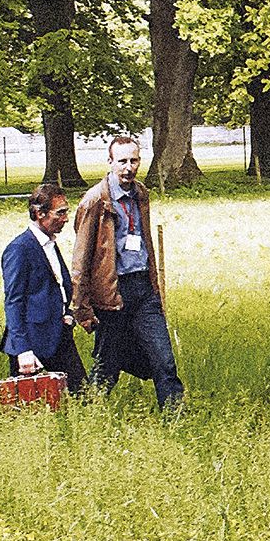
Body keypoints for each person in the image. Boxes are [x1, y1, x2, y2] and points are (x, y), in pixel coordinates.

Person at [72, 135, 184, 407]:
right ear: (110, 162)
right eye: (122, 161)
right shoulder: (95, 201)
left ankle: (176, 418)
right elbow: (81, 259)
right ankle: (88, 416)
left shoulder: (141, 194)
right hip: (112, 294)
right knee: (107, 366)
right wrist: (81, 308)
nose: (128, 167)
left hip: (144, 291)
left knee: (164, 360)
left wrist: (154, 286)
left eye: (134, 161)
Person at [1, 183, 87, 392]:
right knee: (30, 404)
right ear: (40, 214)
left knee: (84, 395)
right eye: (60, 213)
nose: (66, 219)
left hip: (59, 334)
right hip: (32, 342)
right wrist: (23, 350)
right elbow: (14, 301)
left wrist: (66, 313)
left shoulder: (49, 243)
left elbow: (57, 285)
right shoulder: (19, 249)